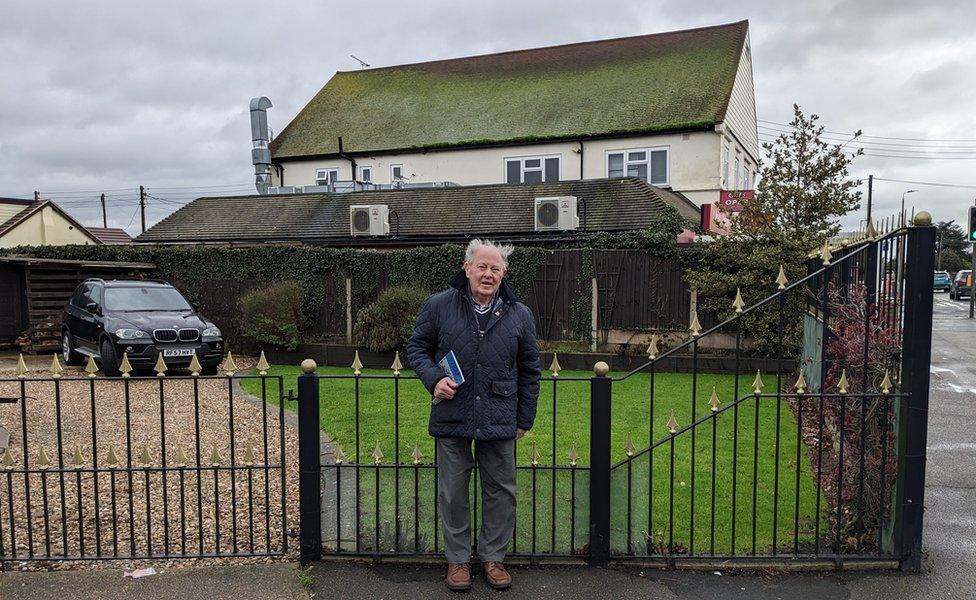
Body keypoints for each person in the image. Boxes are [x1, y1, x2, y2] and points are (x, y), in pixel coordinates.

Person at [406, 238, 540, 592]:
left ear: (504, 274)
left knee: (501, 491)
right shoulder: (438, 306)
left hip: (500, 414)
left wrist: (524, 419)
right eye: (482, 266)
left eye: (495, 269)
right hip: (453, 411)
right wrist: (434, 380)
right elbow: (417, 348)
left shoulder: (519, 314)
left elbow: (530, 369)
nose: (488, 274)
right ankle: (458, 562)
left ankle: (493, 558)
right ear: (466, 267)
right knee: (453, 492)